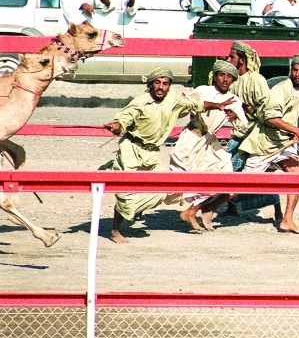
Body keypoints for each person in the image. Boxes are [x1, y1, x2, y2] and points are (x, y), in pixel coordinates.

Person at [101, 67, 234, 244]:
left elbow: (196, 104)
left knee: (161, 190)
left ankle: (130, 208)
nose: (161, 87)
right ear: (150, 85)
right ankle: (116, 229)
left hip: (152, 152)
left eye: (165, 84)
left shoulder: (173, 99)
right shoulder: (140, 102)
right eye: (157, 83)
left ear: (169, 86)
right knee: (126, 193)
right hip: (131, 149)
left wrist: (217, 105)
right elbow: (123, 119)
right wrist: (117, 126)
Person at [238, 53, 299, 234]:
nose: (297, 74)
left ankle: (287, 219)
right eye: (295, 70)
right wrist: (296, 130)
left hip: (284, 143)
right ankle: (204, 208)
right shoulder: (281, 89)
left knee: (297, 177)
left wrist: (294, 134)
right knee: (240, 185)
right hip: (265, 144)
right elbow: (271, 118)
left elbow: (291, 116)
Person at [170, 60, 247, 233]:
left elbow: (244, 126)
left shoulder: (234, 100)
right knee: (185, 183)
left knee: (228, 178)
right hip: (191, 140)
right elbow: (183, 108)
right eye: (222, 75)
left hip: (210, 143)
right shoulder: (203, 91)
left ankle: (201, 210)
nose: (225, 79)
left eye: (229, 76)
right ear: (215, 76)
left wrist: (235, 117)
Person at [222, 41, 281, 220]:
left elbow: (268, 107)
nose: (228, 59)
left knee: (254, 174)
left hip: (253, 134)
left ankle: (278, 211)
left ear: (242, 59)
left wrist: (250, 110)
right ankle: (232, 207)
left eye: (232, 56)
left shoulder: (256, 80)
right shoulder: (233, 80)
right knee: (230, 171)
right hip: (238, 133)